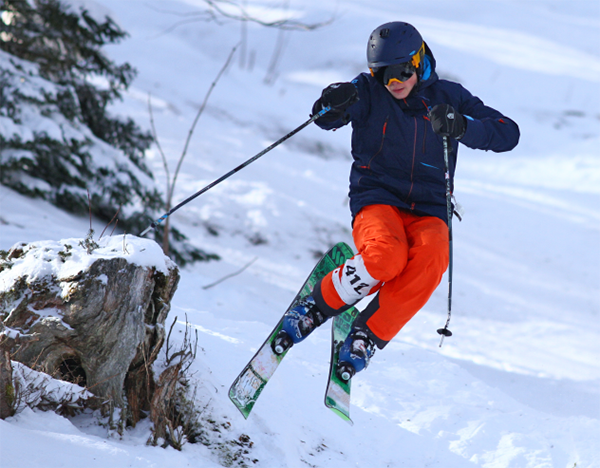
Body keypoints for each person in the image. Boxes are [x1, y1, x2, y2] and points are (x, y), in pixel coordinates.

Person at [273, 21, 520, 380]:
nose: (394, 82)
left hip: (430, 208)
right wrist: (331, 102)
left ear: (419, 61)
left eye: (402, 70)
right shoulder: (368, 91)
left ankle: (366, 335)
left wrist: (463, 125)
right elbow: (325, 118)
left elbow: (507, 134)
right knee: (386, 258)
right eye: (383, 73)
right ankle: (314, 306)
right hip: (378, 199)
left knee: (433, 259)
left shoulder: (450, 97)